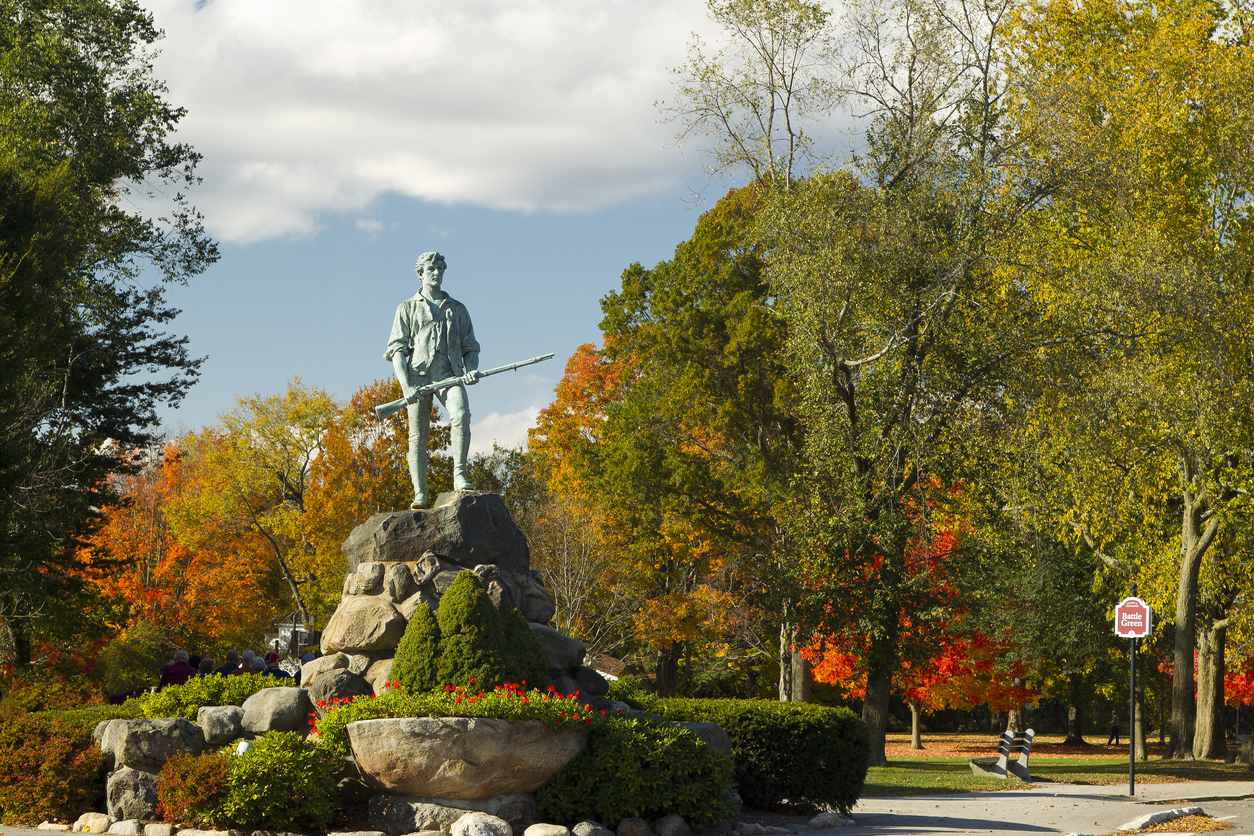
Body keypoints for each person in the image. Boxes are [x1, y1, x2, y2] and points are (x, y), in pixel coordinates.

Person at [385, 251, 480, 508]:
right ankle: (420, 493)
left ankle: (460, 475)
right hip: (417, 377)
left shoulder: (457, 309)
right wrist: (406, 386)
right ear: (420, 274)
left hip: (448, 372)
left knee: (460, 413)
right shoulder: (406, 308)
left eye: (440, 268)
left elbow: (471, 347)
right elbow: (397, 350)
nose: (437, 272)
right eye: (432, 269)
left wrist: (471, 369)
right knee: (418, 435)